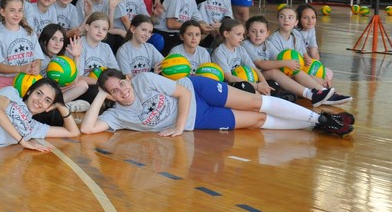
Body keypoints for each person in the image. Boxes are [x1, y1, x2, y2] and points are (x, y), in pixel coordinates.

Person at [81, 68, 354, 137]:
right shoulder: (117, 116)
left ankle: (321, 118)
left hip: (198, 90)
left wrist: (178, 127)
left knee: (256, 103)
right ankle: (316, 126)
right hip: (199, 119)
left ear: (128, 79)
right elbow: (87, 129)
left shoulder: (143, 80)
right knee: (257, 121)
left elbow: (183, 94)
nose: (122, 92)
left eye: (122, 84)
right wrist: (101, 95)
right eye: (114, 92)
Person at [0, 0, 42, 88]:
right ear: (3, 12)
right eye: (12, 10)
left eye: (20, 10)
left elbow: (37, 57)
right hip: (5, 83)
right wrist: (20, 68)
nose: (17, 14)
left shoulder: (30, 33)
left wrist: (37, 66)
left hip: (28, 80)